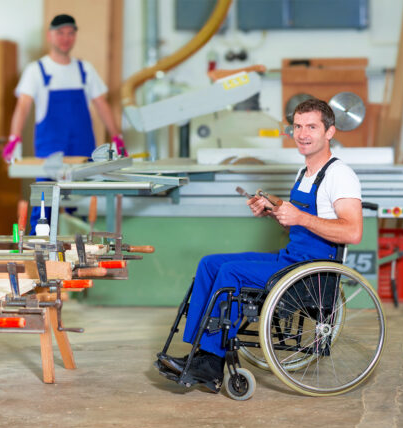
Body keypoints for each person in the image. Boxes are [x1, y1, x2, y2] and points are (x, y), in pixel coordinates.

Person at [154, 98, 364, 388]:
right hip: (291, 258)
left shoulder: (340, 175)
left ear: (329, 132)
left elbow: (352, 232)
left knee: (231, 272)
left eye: (312, 127)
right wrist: (272, 211)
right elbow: (298, 221)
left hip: (312, 272)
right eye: (298, 126)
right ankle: (199, 351)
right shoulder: (305, 173)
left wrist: (300, 217)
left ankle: (211, 362)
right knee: (210, 263)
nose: (302, 134)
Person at [3, 14, 124, 230]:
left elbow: (102, 104)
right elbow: (22, 106)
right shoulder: (36, 71)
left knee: (81, 211)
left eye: (70, 33)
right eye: (60, 33)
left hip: (82, 153)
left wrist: (117, 136)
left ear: (75, 36)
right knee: (43, 209)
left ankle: (79, 257)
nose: (65, 38)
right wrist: (14, 138)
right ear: (50, 35)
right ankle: (38, 256)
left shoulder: (84, 70)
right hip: (50, 154)